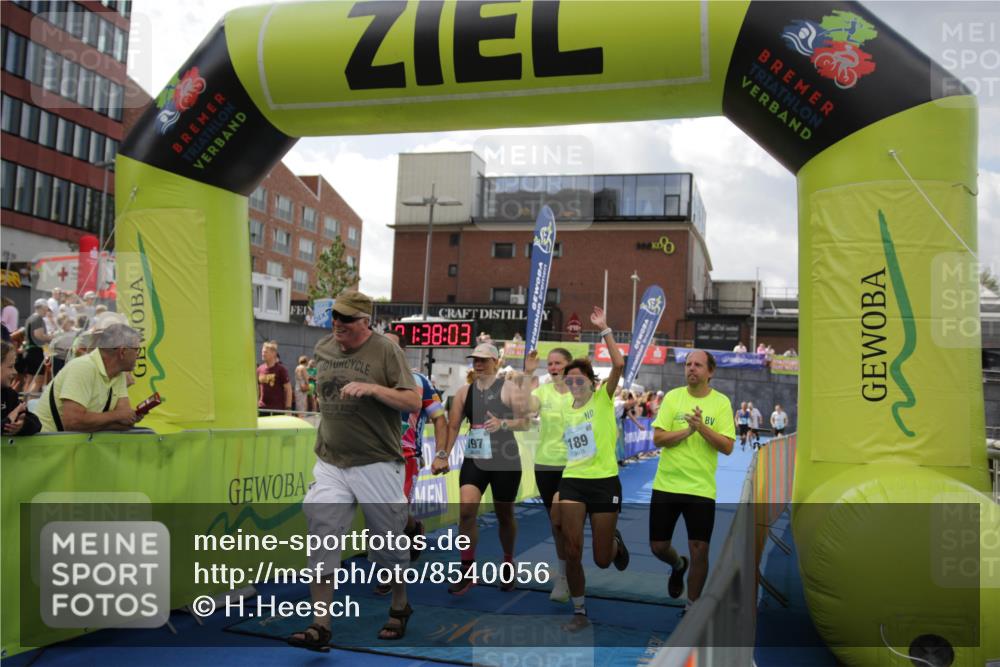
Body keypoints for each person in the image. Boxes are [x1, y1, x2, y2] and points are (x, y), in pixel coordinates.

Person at [290, 290, 420, 650]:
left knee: (387, 546)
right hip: (331, 458)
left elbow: (412, 401)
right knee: (321, 530)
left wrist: (374, 389)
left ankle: (400, 603)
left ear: (366, 321)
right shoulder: (323, 348)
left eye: (346, 319)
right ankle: (321, 624)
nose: (338, 325)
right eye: (335, 317)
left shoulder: (385, 350)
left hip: (376, 460)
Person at [431, 341, 530, 595]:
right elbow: (453, 427)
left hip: (504, 460)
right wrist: (442, 455)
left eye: (484, 360)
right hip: (475, 458)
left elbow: (525, 422)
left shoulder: (509, 388)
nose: (478, 363)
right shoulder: (464, 392)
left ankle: (508, 561)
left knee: (504, 515)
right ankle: (467, 570)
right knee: (465, 512)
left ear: (495, 363)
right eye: (475, 359)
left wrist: (504, 424)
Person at [557, 307, 630, 629]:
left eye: (579, 378)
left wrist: (604, 329)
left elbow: (618, 364)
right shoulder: (565, 410)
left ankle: (614, 543)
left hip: (605, 483)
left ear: (590, 381)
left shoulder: (602, 399)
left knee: (602, 559)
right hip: (574, 481)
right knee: (572, 549)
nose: (574, 382)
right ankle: (579, 611)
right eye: (569, 379)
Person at [650, 350, 735, 615]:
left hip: (700, 489)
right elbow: (658, 439)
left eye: (698, 365)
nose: (691, 368)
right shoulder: (673, 397)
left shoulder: (721, 403)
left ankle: (692, 607)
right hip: (666, 484)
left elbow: (728, 447)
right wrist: (687, 431)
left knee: (700, 550)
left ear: (710, 372)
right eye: (688, 364)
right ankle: (677, 565)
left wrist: (702, 428)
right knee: (658, 547)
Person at [373, 331, 448, 595]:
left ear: (402, 352)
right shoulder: (369, 378)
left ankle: (390, 573)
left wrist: (441, 454)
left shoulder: (419, 381)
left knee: (393, 514)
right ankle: (414, 527)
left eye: (390, 347)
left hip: (406, 458)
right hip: (373, 458)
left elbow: (440, 419)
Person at [523, 347, 575, 602]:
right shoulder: (542, 392)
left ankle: (570, 572)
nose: (553, 367)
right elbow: (523, 409)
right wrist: (528, 373)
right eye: (550, 363)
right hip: (545, 465)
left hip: (575, 466)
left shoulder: (581, 392)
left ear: (569, 365)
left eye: (558, 363)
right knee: (556, 523)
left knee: (567, 522)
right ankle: (564, 575)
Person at [33, 324, 144, 433]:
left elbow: (124, 422)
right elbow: (72, 422)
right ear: (122, 351)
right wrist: (116, 416)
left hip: (72, 446)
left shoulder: (118, 374)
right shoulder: (83, 367)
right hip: (48, 447)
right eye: (137, 350)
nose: (138, 355)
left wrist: (126, 418)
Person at [2, 340, 41, 436]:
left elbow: (36, 423)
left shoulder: (9, 395)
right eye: (10, 366)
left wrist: (21, 425)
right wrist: (9, 419)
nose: (15, 372)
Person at [15, 299, 52, 394]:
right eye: (46, 309)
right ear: (43, 308)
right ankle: (28, 403)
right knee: (38, 380)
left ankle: (24, 403)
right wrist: (51, 337)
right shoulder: (37, 318)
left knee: (30, 380)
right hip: (35, 352)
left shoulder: (30, 318)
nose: (46, 312)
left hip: (30, 351)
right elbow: (39, 335)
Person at [257, 340, 291, 416]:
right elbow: (257, 389)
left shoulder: (281, 369)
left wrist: (288, 408)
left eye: (265, 352)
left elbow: (288, 389)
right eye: (262, 351)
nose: (263, 354)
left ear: (273, 354)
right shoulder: (259, 369)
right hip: (262, 408)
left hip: (277, 410)